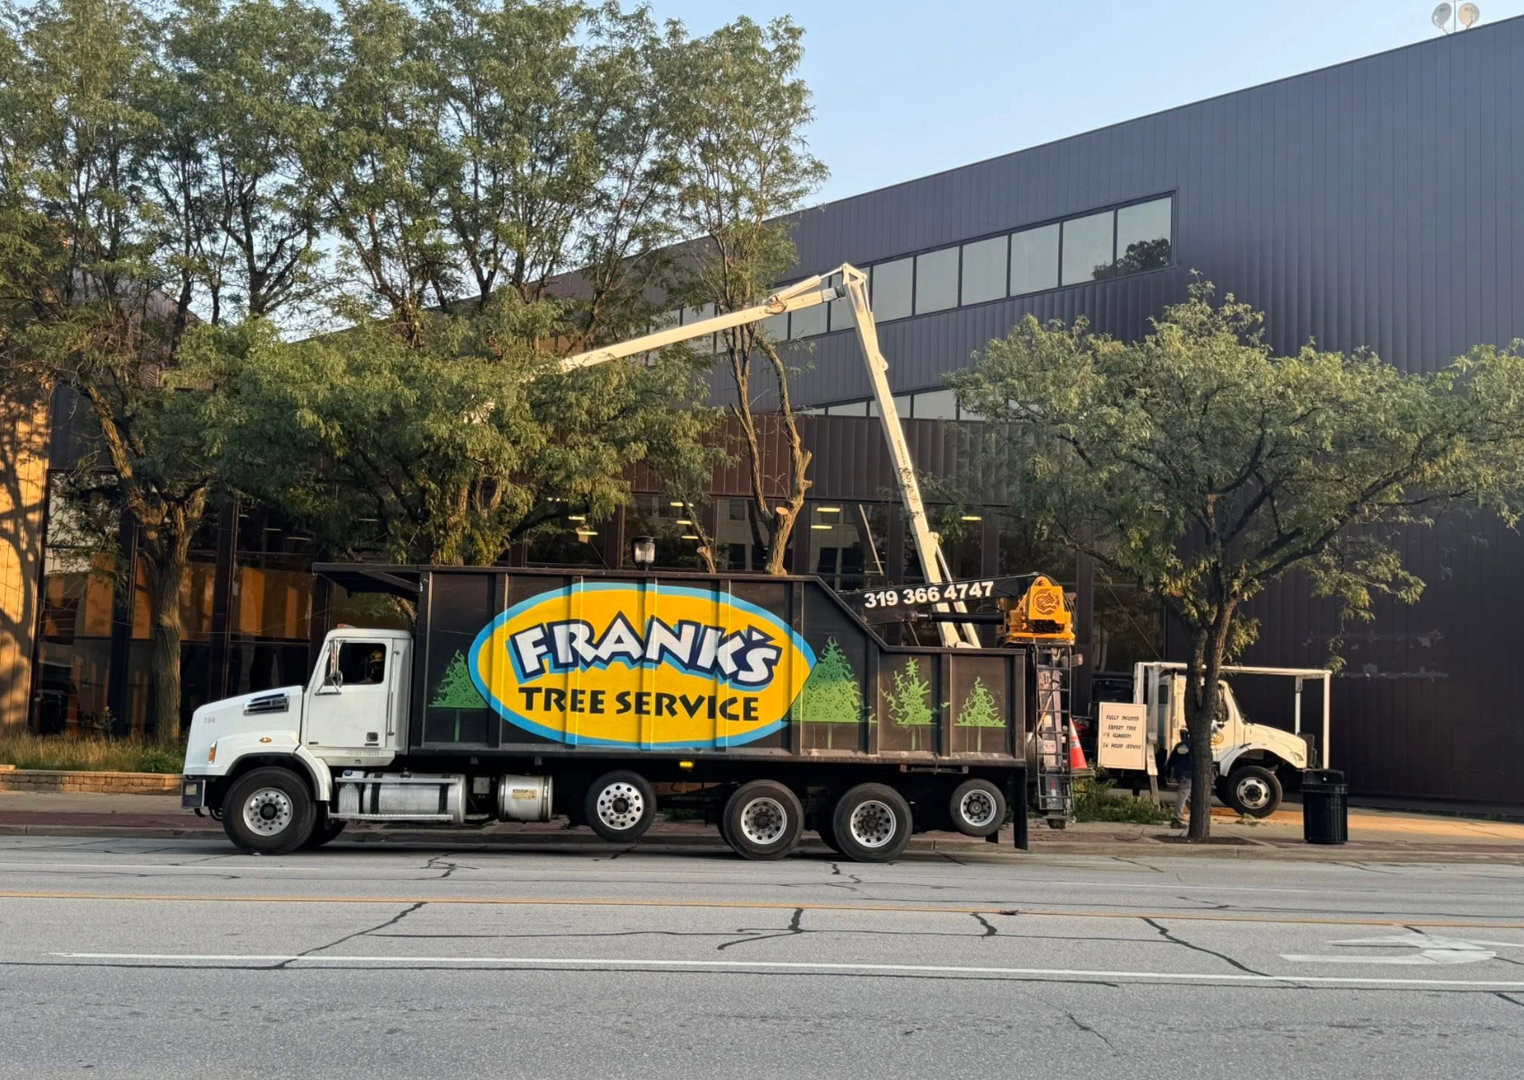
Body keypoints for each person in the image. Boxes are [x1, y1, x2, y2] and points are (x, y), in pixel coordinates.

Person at [1167, 738, 1193, 828]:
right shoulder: (1195, 746)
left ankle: (1197, 815)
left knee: (1187, 796)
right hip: (1189, 774)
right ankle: (1177, 819)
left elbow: (1171, 760)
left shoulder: (1179, 746)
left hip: (1179, 774)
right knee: (1183, 795)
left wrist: (1168, 773)